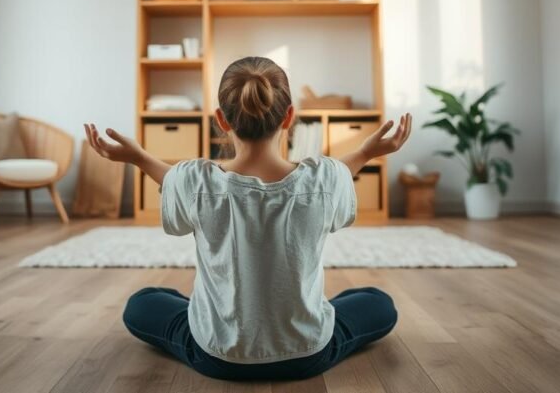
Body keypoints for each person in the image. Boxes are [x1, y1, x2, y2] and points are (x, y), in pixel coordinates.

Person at [84, 56, 412, 381]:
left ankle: (216, 312)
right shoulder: (324, 179)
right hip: (307, 355)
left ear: (221, 120)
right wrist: (368, 152)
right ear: (289, 117)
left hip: (217, 356)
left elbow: (171, 179)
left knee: (142, 303)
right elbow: (343, 171)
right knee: (377, 301)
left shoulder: (194, 181)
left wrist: (137, 157)